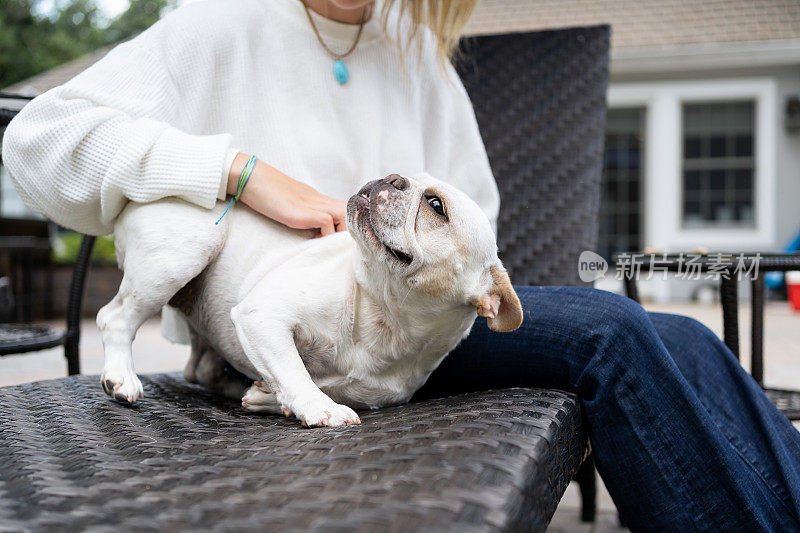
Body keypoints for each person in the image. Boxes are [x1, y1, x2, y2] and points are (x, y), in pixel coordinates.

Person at [3, 1, 799, 530]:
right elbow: (39, 137)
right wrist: (238, 172)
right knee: (616, 330)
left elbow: (476, 212)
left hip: (420, 325)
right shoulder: (223, 22)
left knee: (682, 340)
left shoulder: (414, 52)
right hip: (307, 329)